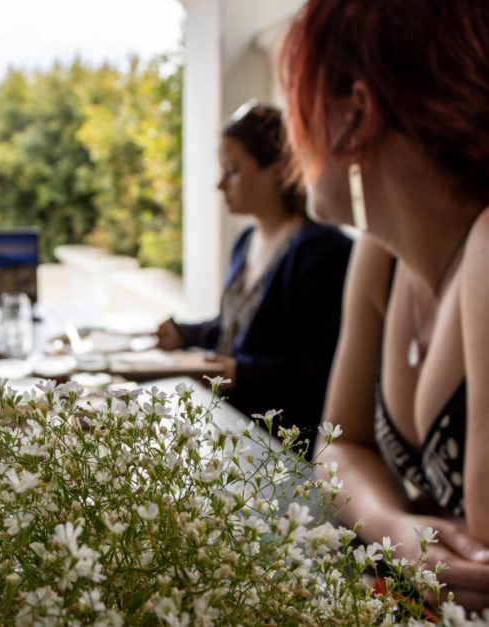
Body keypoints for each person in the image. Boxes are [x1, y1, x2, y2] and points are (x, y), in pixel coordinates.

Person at [280, 0, 489, 611]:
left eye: (301, 101)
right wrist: (396, 531)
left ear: (358, 113)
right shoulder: (380, 253)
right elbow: (339, 443)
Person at [156, 101, 352, 447]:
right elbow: (236, 328)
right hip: (230, 429)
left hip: (281, 448)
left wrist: (239, 373)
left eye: (232, 170)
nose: (220, 184)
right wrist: (184, 333)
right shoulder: (246, 241)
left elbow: (330, 367)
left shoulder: (323, 253)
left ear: (278, 169)